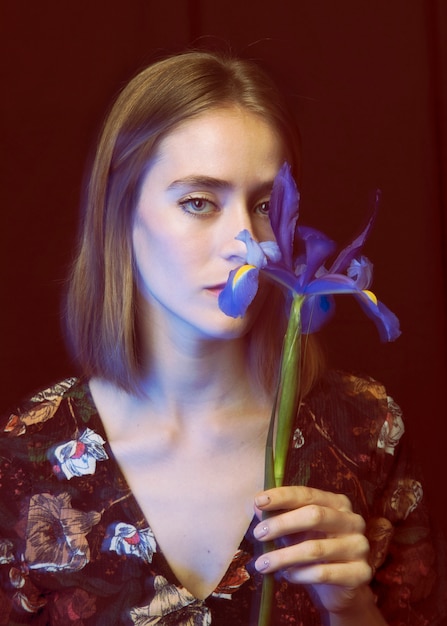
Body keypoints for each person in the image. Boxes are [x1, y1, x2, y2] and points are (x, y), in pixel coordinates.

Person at [0, 50, 443, 626]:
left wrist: (352, 607)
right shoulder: (28, 457)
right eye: (199, 202)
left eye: (264, 205)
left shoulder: (365, 429)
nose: (248, 243)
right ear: (119, 213)